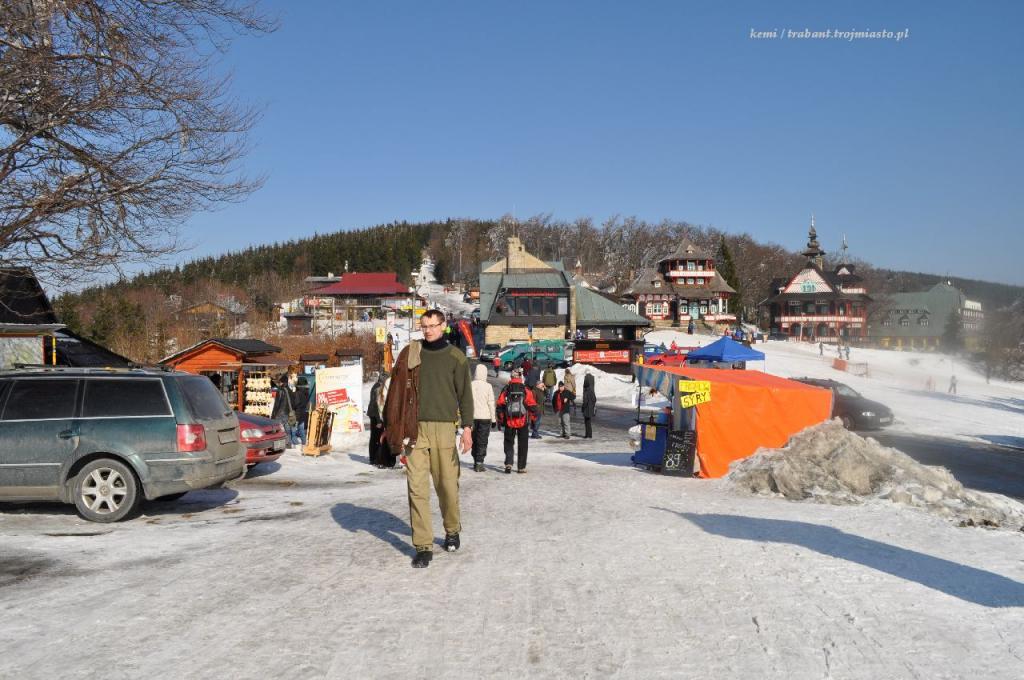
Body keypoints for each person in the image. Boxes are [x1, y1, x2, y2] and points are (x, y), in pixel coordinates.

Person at [382, 309, 474, 569]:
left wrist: (467, 428)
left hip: (444, 429)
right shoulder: (413, 353)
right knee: (417, 489)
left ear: (443, 326)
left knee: (447, 486)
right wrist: (391, 425)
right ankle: (423, 546)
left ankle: (452, 529)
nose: (428, 330)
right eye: (424, 326)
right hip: (414, 430)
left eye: (433, 325)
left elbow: (465, 395)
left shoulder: (456, 357)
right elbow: (397, 389)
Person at [496, 368, 538, 473]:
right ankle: (521, 467)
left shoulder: (506, 389)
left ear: (511, 376)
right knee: (523, 444)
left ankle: (509, 463)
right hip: (523, 421)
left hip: (509, 420)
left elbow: (500, 404)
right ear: (521, 377)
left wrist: (501, 419)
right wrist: (533, 419)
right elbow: (532, 405)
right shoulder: (525, 390)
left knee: (508, 442)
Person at [470, 363, 496, 471]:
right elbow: (491, 403)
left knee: (474, 439)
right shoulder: (488, 386)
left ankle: (475, 460)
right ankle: (479, 462)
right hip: (485, 417)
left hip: (472, 417)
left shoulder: (470, 385)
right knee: (482, 440)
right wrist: (493, 419)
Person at [367, 373, 391, 468]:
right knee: (376, 437)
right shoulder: (378, 388)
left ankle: (375, 458)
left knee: (375, 437)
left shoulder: (377, 386)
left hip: (374, 415)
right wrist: (378, 421)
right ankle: (374, 458)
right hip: (374, 415)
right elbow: (377, 406)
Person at [270, 375, 295, 446]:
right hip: (288, 413)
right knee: (287, 429)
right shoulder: (290, 391)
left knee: (277, 430)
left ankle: (277, 445)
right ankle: (288, 443)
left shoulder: (280, 391)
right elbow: (293, 403)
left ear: (283, 382)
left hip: (280, 413)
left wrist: (273, 415)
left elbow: (277, 404)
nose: (279, 383)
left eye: (280, 382)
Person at [289, 376, 310, 448]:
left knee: (293, 431)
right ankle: (304, 443)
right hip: (303, 414)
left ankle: (296, 445)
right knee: (301, 430)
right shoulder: (306, 392)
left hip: (296, 415)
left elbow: (296, 404)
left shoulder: (297, 393)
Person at [581, 372, 596, 439]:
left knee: (587, 422)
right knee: (588, 421)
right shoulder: (592, 389)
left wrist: (583, 407)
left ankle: (588, 435)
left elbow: (585, 401)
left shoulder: (586, 390)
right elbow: (594, 399)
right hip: (590, 407)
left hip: (587, 407)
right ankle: (589, 434)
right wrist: (592, 405)